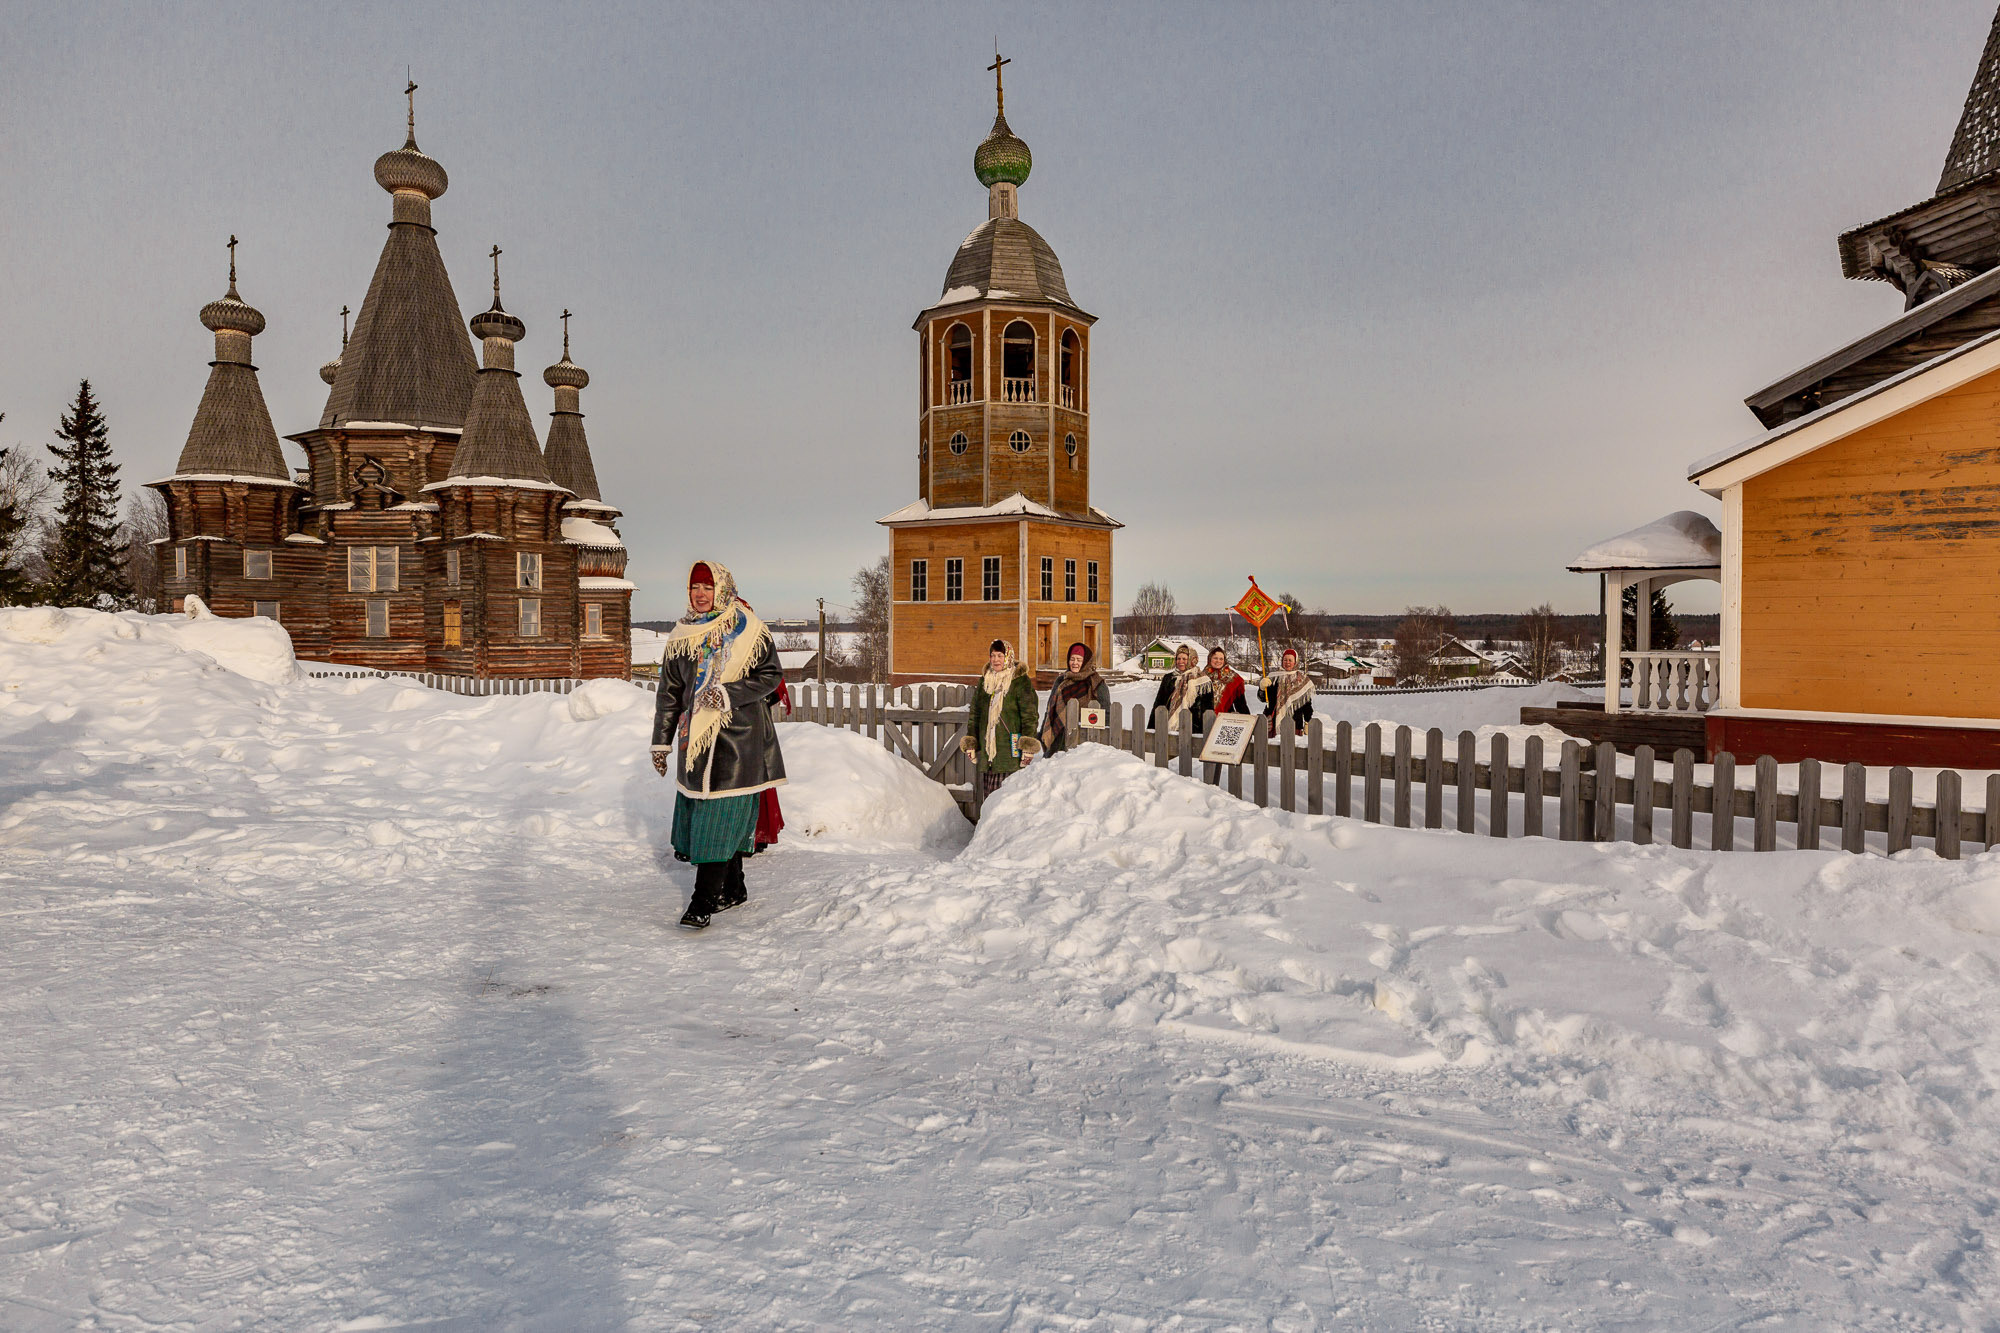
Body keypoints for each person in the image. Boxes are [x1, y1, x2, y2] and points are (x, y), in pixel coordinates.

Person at [651, 560, 787, 930]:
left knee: (719, 818)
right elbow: (670, 694)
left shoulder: (748, 629)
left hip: (739, 740)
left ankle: (702, 902)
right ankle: (733, 888)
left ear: (722, 589)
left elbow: (771, 675)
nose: (700, 594)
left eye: (708, 587)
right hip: (695, 743)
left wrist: (728, 694)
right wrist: (661, 743)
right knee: (713, 818)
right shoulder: (681, 635)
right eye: (695, 586)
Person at [960, 639, 1041, 797]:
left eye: (1000, 655)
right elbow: (975, 714)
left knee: (1007, 800)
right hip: (989, 755)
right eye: (992, 655)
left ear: (1008, 657)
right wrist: (971, 743)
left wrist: (1028, 747)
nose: (995, 659)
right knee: (990, 800)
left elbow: (1030, 716)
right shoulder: (985, 681)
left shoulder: (1019, 682)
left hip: (1010, 754)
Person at [1041, 641, 1112, 755]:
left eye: (1079, 660)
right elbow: (1050, 709)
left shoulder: (1096, 683)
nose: (1074, 663)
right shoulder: (1061, 681)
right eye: (1072, 659)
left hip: (1086, 745)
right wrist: (1043, 734)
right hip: (1058, 742)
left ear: (1086, 662)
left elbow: (1107, 714)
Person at [1150, 644, 1211, 736]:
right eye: (1178, 659)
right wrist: (1151, 727)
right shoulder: (1169, 678)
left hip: (1194, 729)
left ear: (1192, 660)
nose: (1180, 661)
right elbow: (1159, 703)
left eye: (1184, 659)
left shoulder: (1203, 680)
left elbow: (1208, 707)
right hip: (1169, 728)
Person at [1260, 647, 1315, 735]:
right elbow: (1263, 699)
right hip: (1273, 723)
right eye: (1285, 660)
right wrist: (1262, 689)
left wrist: (1308, 721)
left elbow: (1306, 704)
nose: (1287, 662)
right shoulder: (1274, 678)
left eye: (1290, 660)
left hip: (1295, 724)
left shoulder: (1301, 680)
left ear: (1295, 662)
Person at [1200, 646, 1249, 734]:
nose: (1218, 661)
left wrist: (1247, 721)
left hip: (1226, 722)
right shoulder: (1201, 676)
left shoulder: (1233, 678)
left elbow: (1241, 704)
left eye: (1221, 659)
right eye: (1215, 658)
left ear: (1224, 660)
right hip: (1203, 721)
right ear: (1210, 659)